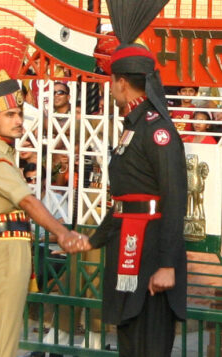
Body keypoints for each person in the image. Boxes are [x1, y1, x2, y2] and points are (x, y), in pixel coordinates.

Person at [71, 44, 188, 357]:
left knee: (148, 342)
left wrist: (166, 264)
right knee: (130, 341)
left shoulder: (157, 130)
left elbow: (175, 198)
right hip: (127, 247)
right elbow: (123, 200)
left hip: (151, 253)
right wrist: (94, 239)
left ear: (121, 82)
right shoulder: (133, 128)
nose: (111, 89)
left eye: (112, 82)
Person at [0, 76, 81, 357]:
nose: (18, 120)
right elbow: (28, 201)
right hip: (4, 250)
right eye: (9, 114)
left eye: (19, 113)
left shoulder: (4, 153)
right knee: (0, 344)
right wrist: (62, 232)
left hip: (11, 247)